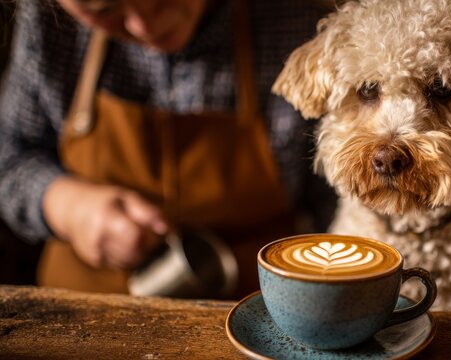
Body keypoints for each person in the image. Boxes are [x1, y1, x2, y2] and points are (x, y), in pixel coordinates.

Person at [0, 0, 335, 299]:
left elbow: (341, 203)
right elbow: (10, 156)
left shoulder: (303, 20)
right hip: (83, 314)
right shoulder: (47, 23)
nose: (145, 25)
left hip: (257, 311)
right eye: (103, 9)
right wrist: (67, 206)